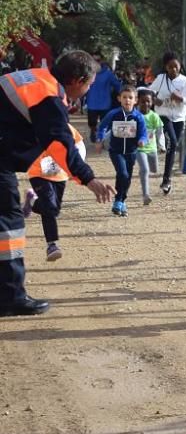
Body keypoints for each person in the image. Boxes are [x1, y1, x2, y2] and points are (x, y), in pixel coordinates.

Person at [0, 50, 116, 316]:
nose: (88, 90)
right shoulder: (48, 96)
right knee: (9, 223)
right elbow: (59, 145)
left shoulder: (37, 80)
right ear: (78, 80)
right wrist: (89, 178)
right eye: (89, 84)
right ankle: (10, 297)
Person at [21, 124, 88, 261]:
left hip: (60, 173)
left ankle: (32, 200)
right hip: (38, 172)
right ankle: (52, 245)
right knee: (50, 208)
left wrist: (76, 165)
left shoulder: (62, 124)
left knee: (53, 209)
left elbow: (79, 143)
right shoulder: (29, 125)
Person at [149, 51, 186, 194]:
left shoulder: (185, 82)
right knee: (172, 141)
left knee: (172, 147)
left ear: (180, 66)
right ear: (165, 67)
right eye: (170, 67)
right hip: (163, 116)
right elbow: (148, 92)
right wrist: (154, 100)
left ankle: (167, 180)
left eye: (176, 66)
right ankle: (166, 179)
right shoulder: (160, 79)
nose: (173, 70)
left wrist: (182, 99)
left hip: (179, 118)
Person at [95, 85, 148, 217]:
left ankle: (122, 201)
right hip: (116, 151)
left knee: (127, 177)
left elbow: (144, 134)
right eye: (124, 97)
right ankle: (118, 200)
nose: (127, 100)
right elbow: (102, 127)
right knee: (122, 174)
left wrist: (142, 140)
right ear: (119, 99)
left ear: (135, 100)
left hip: (131, 152)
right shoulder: (114, 114)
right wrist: (99, 139)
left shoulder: (138, 117)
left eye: (130, 98)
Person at [82, 51, 122, 143]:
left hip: (105, 104)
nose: (96, 62)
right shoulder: (87, 73)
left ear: (102, 61)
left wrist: (124, 94)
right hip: (92, 103)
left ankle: (102, 139)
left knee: (105, 123)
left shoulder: (108, 74)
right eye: (93, 60)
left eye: (98, 60)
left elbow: (117, 85)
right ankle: (93, 131)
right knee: (92, 123)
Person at [135, 88, 164, 205]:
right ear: (137, 102)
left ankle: (143, 171)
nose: (145, 104)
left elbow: (159, 132)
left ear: (152, 102)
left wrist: (161, 145)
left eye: (148, 101)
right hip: (139, 148)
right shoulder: (134, 115)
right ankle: (145, 195)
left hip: (152, 148)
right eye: (143, 101)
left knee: (154, 169)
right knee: (145, 170)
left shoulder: (154, 116)